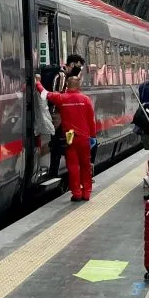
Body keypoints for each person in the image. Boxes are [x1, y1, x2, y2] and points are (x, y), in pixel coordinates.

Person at [41, 73, 97, 202]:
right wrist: (93, 136)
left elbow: (45, 94)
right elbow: (91, 121)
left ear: (67, 85)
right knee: (85, 166)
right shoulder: (86, 100)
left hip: (70, 137)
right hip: (84, 138)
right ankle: (87, 193)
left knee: (73, 167)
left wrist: (37, 82)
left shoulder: (62, 98)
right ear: (79, 86)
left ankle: (76, 193)